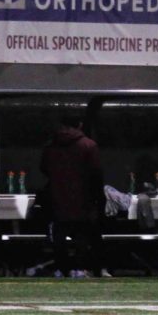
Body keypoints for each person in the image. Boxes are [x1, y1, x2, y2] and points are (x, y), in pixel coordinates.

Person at [40, 113, 103, 278]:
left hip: (57, 198)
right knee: (82, 236)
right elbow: (96, 174)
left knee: (59, 236)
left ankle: (62, 268)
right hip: (83, 199)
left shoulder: (51, 146)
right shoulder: (89, 146)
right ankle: (79, 268)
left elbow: (44, 168)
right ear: (80, 125)